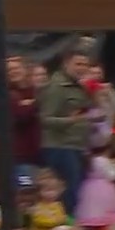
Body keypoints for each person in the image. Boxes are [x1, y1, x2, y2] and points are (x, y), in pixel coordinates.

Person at [39, 46, 93, 214]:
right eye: (78, 64)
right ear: (66, 64)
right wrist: (70, 121)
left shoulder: (79, 86)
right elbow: (44, 119)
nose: (82, 68)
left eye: (85, 64)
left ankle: (74, 224)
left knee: (79, 189)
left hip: (77, 145)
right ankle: (67, 224)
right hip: (61, 147)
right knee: (69, 191)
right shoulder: (57, 87)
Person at [75, 146, 115, 230]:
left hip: (89, 189)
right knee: (102, 222)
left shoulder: (88, 159)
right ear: (106, 150)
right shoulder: (103, 161)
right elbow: (112, 176)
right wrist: (114, 165)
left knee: (91, 223)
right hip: (103, 190)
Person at [8, 57, 41, 166]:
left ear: (25, 69)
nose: (13, 72)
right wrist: (34, 104)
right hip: (19, 153)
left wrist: (30, 104)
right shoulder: (6, 94)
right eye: (9, 70)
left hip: (41, 149)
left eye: (16, 68)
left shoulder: (36, 91)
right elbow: (21, 115)